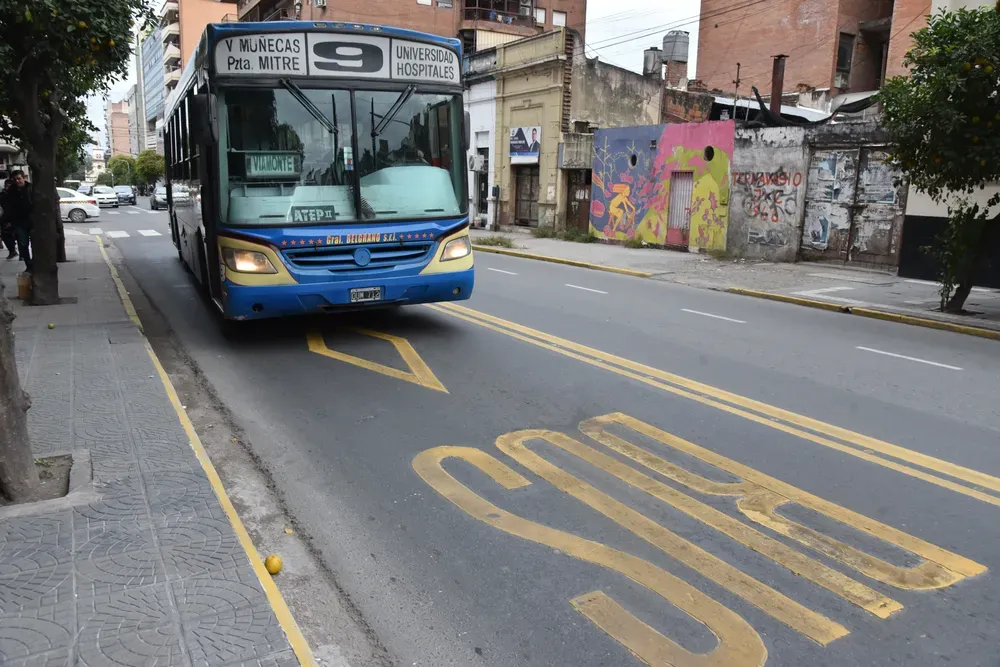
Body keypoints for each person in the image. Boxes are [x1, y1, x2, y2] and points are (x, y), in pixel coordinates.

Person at [0, 171, 33, 272]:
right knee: (23, 244)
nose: (17, 181)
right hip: (19, 222)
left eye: (19, 178)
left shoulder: (31, 188)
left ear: (24, 178)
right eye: (15, 179)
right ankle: (29, 265)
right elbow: (8, 207)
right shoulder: (11, 191)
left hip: (32, 220)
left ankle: (35, 263)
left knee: (36, 244)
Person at [0, 178, 16, 260]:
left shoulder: (15, 194)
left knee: (17, 237)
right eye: (6, 186)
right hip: (5, 218)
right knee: (6, 235)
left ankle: (18, 253)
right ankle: (12, 251)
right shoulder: (3, 194)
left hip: (14, 218)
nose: (7, 187)